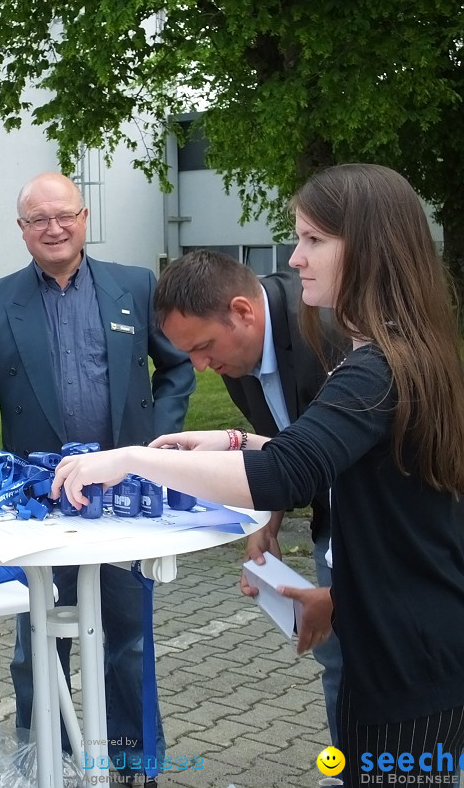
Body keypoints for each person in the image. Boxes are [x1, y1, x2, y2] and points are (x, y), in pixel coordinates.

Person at [51, 164, 464, 786]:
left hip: (412, 656)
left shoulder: (375, 368)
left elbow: (287, 474)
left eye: (314, 239)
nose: (296, 256)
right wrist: (236, 440)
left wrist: (126, 459)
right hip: (411, 640)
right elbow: (348, 466)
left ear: (366, 246)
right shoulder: (397, 352)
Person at [0, 171, 195, 785]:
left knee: (129, 642)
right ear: (22, 229)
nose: (53, 228)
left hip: (120, 501)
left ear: (85, 218)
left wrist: (152, 447)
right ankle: (44, 765)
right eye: (39, 219)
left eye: (64, 216)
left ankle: (134, 763)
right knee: (37, 648)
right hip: (39, 503)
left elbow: (177, 369)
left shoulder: (134, 288)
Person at [152, 249, 347, 743]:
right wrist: (268, 525)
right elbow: (281, 447)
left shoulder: (327, 335)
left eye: (203, 347)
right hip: (339, 517)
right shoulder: (239, 357)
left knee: (382, 674)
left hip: (383, 523)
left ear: (243, 311)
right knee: (341, 662)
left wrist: (347, 592)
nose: (199, 366)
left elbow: (364, 467)